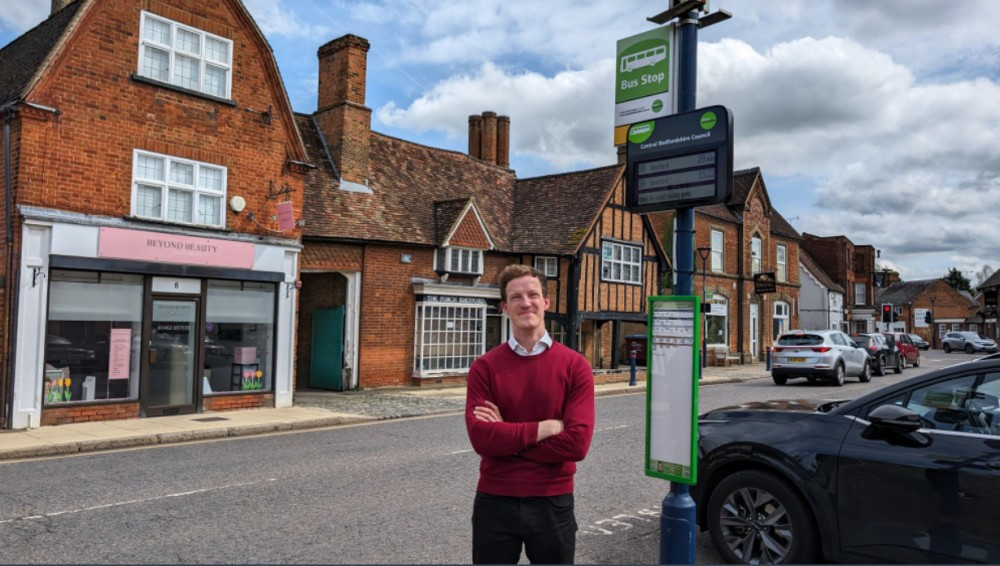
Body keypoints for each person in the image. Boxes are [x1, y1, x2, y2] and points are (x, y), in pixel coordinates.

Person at [465, 264, 595, 564]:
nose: (526, 303)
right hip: (495, 501)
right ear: (505, 306)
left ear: (546, 302)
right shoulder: (485, 367)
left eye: (533, 294)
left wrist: (507, 436)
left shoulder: (575, 366)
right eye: (516, 297)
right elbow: (482, 439)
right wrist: (545, 428)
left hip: (553, 501)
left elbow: (577, 444)